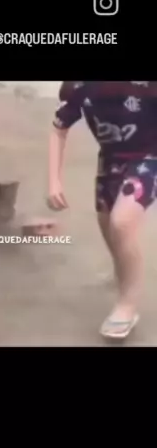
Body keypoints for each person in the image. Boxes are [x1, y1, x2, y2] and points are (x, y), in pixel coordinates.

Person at [47, 80, 157, 340]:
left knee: (121, 222)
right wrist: (53, 181)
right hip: (110, 159)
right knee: (107, 224)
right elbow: (58, 129)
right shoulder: (79, 86)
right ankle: (123, 271)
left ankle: (127, 304)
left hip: (150, 157)